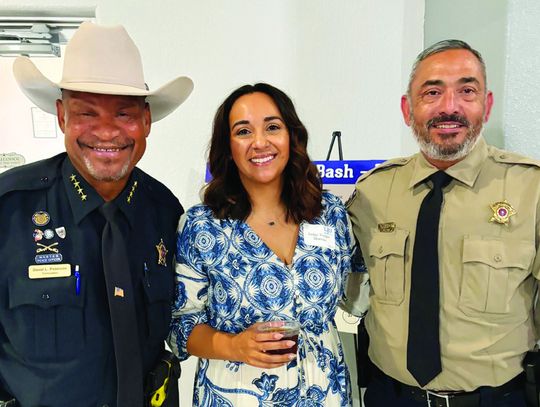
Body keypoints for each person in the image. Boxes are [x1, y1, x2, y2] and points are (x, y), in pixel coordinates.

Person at [0, 22, 193, 407]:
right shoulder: (8, 209)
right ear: (61, 117)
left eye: (124, 114)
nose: (107, 133)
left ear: (146, 121)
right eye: (87, 113)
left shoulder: (166, 213)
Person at [346, 39, 539, 406]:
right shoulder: (372, 193)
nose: (449, 107)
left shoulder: (531, 190)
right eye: (432, 92)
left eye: (467, 90)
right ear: (408, 108)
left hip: (497, 399)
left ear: (488, 104)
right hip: (392, 397)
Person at [168, 83, 361, 406]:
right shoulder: (203, 226)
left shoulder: (330, 215)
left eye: (272, 127)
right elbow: (180, 327)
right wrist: (234, 346)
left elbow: (359, 291)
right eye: (243, 131)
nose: (260, 142)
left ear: (291, 137)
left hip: (325, 393)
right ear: (228, 147)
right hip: (236, 393)